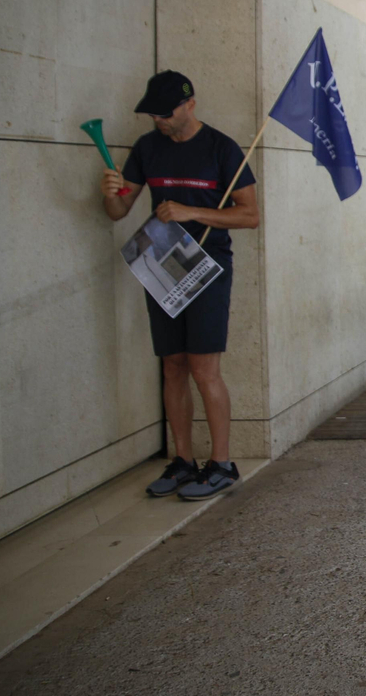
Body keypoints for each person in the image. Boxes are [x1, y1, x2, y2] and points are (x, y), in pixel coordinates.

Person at [99, 71, 260, 501]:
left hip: (209, 265)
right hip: (162, 263)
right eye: (152, 114)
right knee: (172, 365)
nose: (158, 121)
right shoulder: (147, 148)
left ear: (190, 104)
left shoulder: (222, 148)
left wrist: (193, 212)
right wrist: (110, 193)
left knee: (204, 369)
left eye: (165, 113)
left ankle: (222, 463)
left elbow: (250, 215)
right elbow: (119, 211)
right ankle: (184, 461)